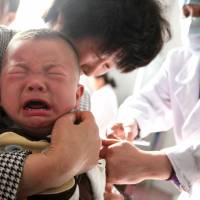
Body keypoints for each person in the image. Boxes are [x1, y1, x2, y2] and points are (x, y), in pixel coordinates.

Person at [0, 0, 171, 198]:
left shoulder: (80, 98)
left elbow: (80, 163)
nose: (92, 71)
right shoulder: (3, 45)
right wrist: (57, 165)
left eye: (107, 67)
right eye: (100, 56)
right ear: (68, 16)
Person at [101, 0, 200, 199]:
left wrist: (151, 164)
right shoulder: (181, 61)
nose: (193, 21)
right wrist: (130, 122)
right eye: (187, 12)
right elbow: (150, 101)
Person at [0, 28, 105, 199]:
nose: (35, 83)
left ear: (77, 95)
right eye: (18, 72)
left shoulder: (83, 138)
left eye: (54, 74)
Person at [89, 74, 118, 138]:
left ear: (101, 79)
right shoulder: (108, 92)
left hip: (99, 132)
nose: (91, 84)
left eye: (92, 81)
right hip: (103, 132)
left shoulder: (101, 93)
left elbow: (97, 117)